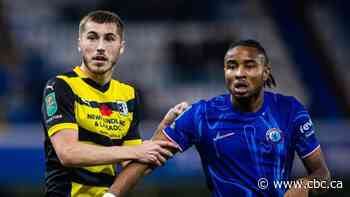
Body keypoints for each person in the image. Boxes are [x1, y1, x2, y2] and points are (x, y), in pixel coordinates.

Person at [104, 39, 331, 197]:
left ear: (266, 72)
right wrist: (110, 195)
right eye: (231, 66)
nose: (239, 73)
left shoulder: (290, 111)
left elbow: (323, 175)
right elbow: (146, 159)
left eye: (249, 65)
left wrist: (305, 185)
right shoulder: (202, 115)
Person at [41, 10, 178, 197]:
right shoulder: (61, 86)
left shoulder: (128, 94)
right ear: (79, 44)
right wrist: (137, 151)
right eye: (92, 37)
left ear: (121, 47)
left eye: (109, 39)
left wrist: (160, 137)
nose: (100, 47)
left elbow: (134, 165)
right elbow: (68, 153)